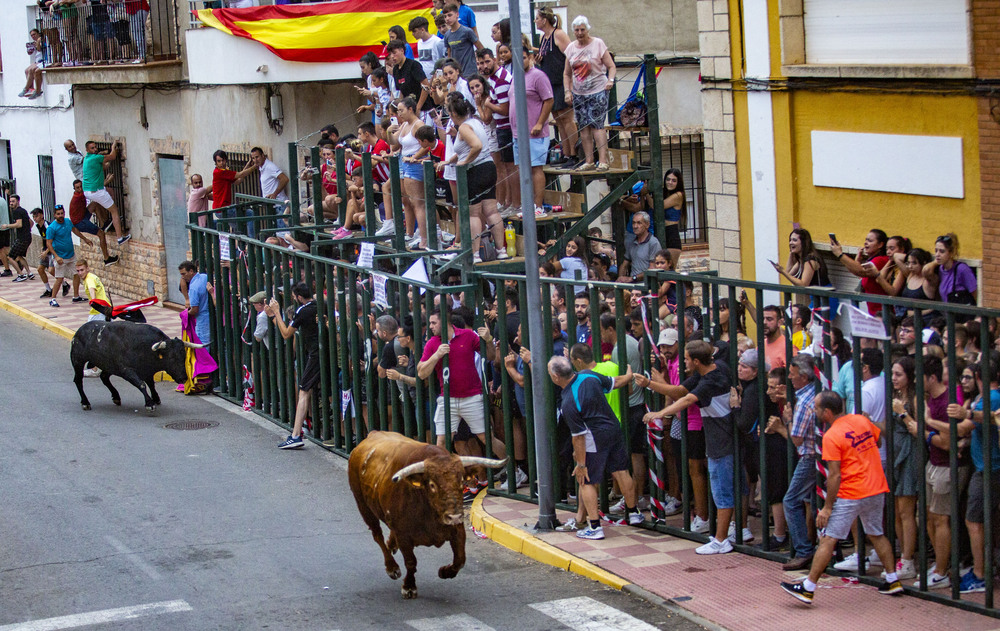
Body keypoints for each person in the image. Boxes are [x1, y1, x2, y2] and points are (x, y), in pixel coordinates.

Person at [780, 391, 903, 604]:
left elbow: (834, 474)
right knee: (876, 533)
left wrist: (827, 508)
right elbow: (878, 442)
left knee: (829, 538)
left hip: (852, 492)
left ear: (826, 412)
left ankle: (808, 587)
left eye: (817, 408)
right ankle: (893, 579)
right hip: (875, 486)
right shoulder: (861, 420)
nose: (815, 412)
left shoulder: (831, 436)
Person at [641, 340, 738, 554]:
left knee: (722, 491)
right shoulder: (712, 370)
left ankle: (722, 539)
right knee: (720, 488)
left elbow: (686, 399)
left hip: (721, 441)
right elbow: (679, 391)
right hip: (717, 440)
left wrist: (659, 413)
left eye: (685, 359)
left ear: (696, 361)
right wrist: (650, 384)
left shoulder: (710, 381)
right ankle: (721, 535)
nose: (682, 362)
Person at [547, 354, 638, 541]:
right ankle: (634, 513)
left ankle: (595, 527)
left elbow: (579, 437)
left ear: (556, 378)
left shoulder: (568, 401)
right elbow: (617, 382)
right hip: (613, 428)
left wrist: (580, 465)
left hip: (594, 436)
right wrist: (629, 375)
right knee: (622, 471)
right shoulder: (589, 376)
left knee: (586, 480)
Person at [947, 351, 1000, 593]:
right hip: (985, 465)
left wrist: (964, 414)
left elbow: (972, 423)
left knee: (974, 520)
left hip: (990, 467)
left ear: (979, 375)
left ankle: (980, 574)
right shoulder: (984, 397)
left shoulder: (991, 397)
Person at [417, 309, 495, 452]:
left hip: (472, 397)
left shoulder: (468, 335)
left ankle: (514, 470)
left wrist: (489, 340)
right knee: (441, 442)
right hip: (448, 398)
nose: (430, 327)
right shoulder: (432, 343)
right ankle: (441, 474)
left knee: (487, 438)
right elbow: (421, 373)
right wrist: (436, 355)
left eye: (434, 323)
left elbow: (490, 356)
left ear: (445, 322)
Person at [767, 354, 818, 570]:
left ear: (804, 377)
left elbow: (797, 439)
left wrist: (786, 421)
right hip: (819, 454)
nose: (789, 377)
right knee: (811, 502)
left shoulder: (805, 402)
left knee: (791, 500)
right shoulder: (814, 393)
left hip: (810, 456)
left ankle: (804, 550)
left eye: (792, 374)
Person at [439, 96, 505, 262]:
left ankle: (475, 254)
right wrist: (450, 161)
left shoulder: (464, 127)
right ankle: (501, 250)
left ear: (454, 113)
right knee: (491, 211)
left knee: (473, 214)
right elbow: (466, 148)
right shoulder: (476, 122)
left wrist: (465, 162)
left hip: (475, 170)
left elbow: (476, 146)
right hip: (489, 167)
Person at [266, 283, 318, 450]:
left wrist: (275, 314)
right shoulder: (320, 304)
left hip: (315, 354)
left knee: (303, 391)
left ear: (299, 297)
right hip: (321, 352)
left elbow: (286, 334)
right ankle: (303, 428)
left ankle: (295, 435)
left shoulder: (303, 310)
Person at [562, 16, 615, 171]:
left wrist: (610, 80)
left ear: (588, 29)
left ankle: (603, 160)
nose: (579, 33)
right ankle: (589, 160)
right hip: (579, 93)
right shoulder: (571, 48)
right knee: (583, 126)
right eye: (577, 30)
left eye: (582, 30)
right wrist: (567, 91)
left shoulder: (598, 44)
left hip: (598, 90)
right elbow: (566, 73)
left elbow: (611, 66)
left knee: (597, 125)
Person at [508, 47, 553, 214]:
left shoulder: (538, 76)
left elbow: (549, 100)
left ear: (531, 57)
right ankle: (528, 204)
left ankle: (538, 206)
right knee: (522, 169)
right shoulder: (516, 77)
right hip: (517, 133)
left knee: (536, 168)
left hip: (534, 133)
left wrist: (540, 123)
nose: (520, 61)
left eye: (524, 58)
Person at [534, 7, 577, 168]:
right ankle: (566, 153)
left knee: (567, 119)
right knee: (558, 120)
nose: (535, 21)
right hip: (549, 83)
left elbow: (571, 55)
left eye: (537, 18)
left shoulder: (557, 34)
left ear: (544, 20)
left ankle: (574, 153)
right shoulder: (543, 38)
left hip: (561, 82)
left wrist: (570, 84)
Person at [390, 97, 430, 247]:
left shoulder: (419, 125)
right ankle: (413, 233)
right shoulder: (405, 124)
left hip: (413, 163)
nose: (399, 114)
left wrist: (414, 157)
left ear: (410, 109)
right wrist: (389, 132)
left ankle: (425, 237)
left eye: (401, 110)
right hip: (404, 162)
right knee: (408, 200)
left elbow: (427, 144)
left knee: (418, 202)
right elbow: (394, 144)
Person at [830, 229, 890, 316]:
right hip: (875, 313)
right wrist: (856, 262)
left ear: (880, 244)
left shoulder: (881, 260)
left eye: (870, 241)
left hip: (884, 313)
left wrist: (840, 254)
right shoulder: (872, 259)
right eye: (866, 240)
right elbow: (857, 272)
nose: (866, 243)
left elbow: (861, 271)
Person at [82, 140, 130, 245]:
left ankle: (100, 222)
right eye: (92, 148)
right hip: (97, 191)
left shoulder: (87, 159)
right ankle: (119, 238)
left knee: (97, 202)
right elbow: (112, 156)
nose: (95, 149)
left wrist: (103, 155)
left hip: (87, 191)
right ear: (87, 149)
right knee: (114, 211)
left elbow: (103, 164)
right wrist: (113, 147)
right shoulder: (96, 158)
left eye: (95, 147)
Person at [44, 204, 91, 307]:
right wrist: (56, 256)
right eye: (58, 214)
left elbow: (75, 231)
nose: (60, 215)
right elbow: (49, 244)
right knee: (59, 278)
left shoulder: (68, 222)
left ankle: (76, 296)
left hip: (71, 255)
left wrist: (85, 239)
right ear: (55, 215)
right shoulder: (52, 228)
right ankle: (53, 299)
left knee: (77, 274)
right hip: (60, 257)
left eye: (62, 213)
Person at [69, 180, 118, 266]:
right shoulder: (78, 196)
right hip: (80, 222)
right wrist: (106, 181)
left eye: (81, 186)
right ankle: (107, 258)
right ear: (74, 189)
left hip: (82, 216)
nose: (80, 189)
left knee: (95, 203)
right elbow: (93, 191)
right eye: (77, 188)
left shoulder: (80, 193)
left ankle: (104, 224)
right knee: (101, 234)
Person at [925, 233, 977, 311]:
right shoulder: (940, 269)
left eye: (942, 251)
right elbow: (926, 270)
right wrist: (936, 262)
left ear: (951, 253)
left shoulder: (962, 269)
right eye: (936, 251)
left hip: (962, 315)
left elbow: (975, 294)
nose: (937, 255)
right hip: (947, 314)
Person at [616, 211, 661, 283]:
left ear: (647, 225)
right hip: (633, 286)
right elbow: (624, 264)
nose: (635, 226)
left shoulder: (653, 243)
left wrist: (632, 278)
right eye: (633, 223)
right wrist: (620, 279)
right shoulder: (632, 243)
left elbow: (652, 269)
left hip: (647, 286)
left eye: (639, 223)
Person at [440, 3, 482, 78]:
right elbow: (449, 57)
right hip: (457, 75)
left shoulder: (467, 31)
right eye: (445, 16)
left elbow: (481, 48)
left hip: (470, 73)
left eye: (450, 15)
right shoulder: (447, 35)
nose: (447, 19)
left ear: (457, 15)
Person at [1, 196, 34, 281]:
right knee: (19, 256)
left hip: (22, 238)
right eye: (10, 201)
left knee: (11, 257)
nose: (11, 203)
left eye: (13, 201)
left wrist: (7, 226)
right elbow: (31, 222)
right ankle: (29, 273)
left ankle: (21, 274)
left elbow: (19, 224)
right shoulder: (23, 210)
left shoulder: (17, 212)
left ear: (18, 202)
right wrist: (27, 230)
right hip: (28, 237)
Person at [178, 260, 211, 345]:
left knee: (202, 344)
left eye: (184, 274)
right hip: (210, 314)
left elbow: (195, 309)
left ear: (191, 271)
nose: (182, 277)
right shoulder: (204, 277)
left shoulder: (193, 288)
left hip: (202, 319)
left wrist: (186, 314)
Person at [30, 208, 58, 298]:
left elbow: (53, 241)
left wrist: (46, 252)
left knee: (51, 270)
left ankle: (64, 284)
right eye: (33, 217)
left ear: (42, 215)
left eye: (36, 216)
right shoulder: (38, 226)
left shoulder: (47, 226)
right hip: (46, 249)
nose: (35, 219)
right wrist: (43, 248)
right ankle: (48, 289)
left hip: (52, 250)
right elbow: (44, 238)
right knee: (40, 269)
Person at [409, 16, 446, 80]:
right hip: (423, 78)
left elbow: (440, 63)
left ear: (422, 30)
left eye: (414, 31)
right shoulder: (419, 43)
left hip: (435, 78)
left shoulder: (437, 41)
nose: (413, 34)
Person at [76, 259, 109, 323]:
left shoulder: (89, 279)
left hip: (99, 310)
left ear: (87, 269)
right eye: (78, 271)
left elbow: (91, 288)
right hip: (105, 307)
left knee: (88, 330)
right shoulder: (91, 276)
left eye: (82, 270)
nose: (80, 273)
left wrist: (93, 301)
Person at [20, 29, 45, 99]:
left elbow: (39, 49)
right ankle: (31, 89)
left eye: (34, 34)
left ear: (38, 34)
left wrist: (37, 44)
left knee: (31, 70)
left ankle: (26, 88)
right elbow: (30, 53)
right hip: (37, 60)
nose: (33, 36)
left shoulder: (41, 40)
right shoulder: (35, 42)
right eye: (31, 35)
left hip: (41, 60)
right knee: (26, 70)